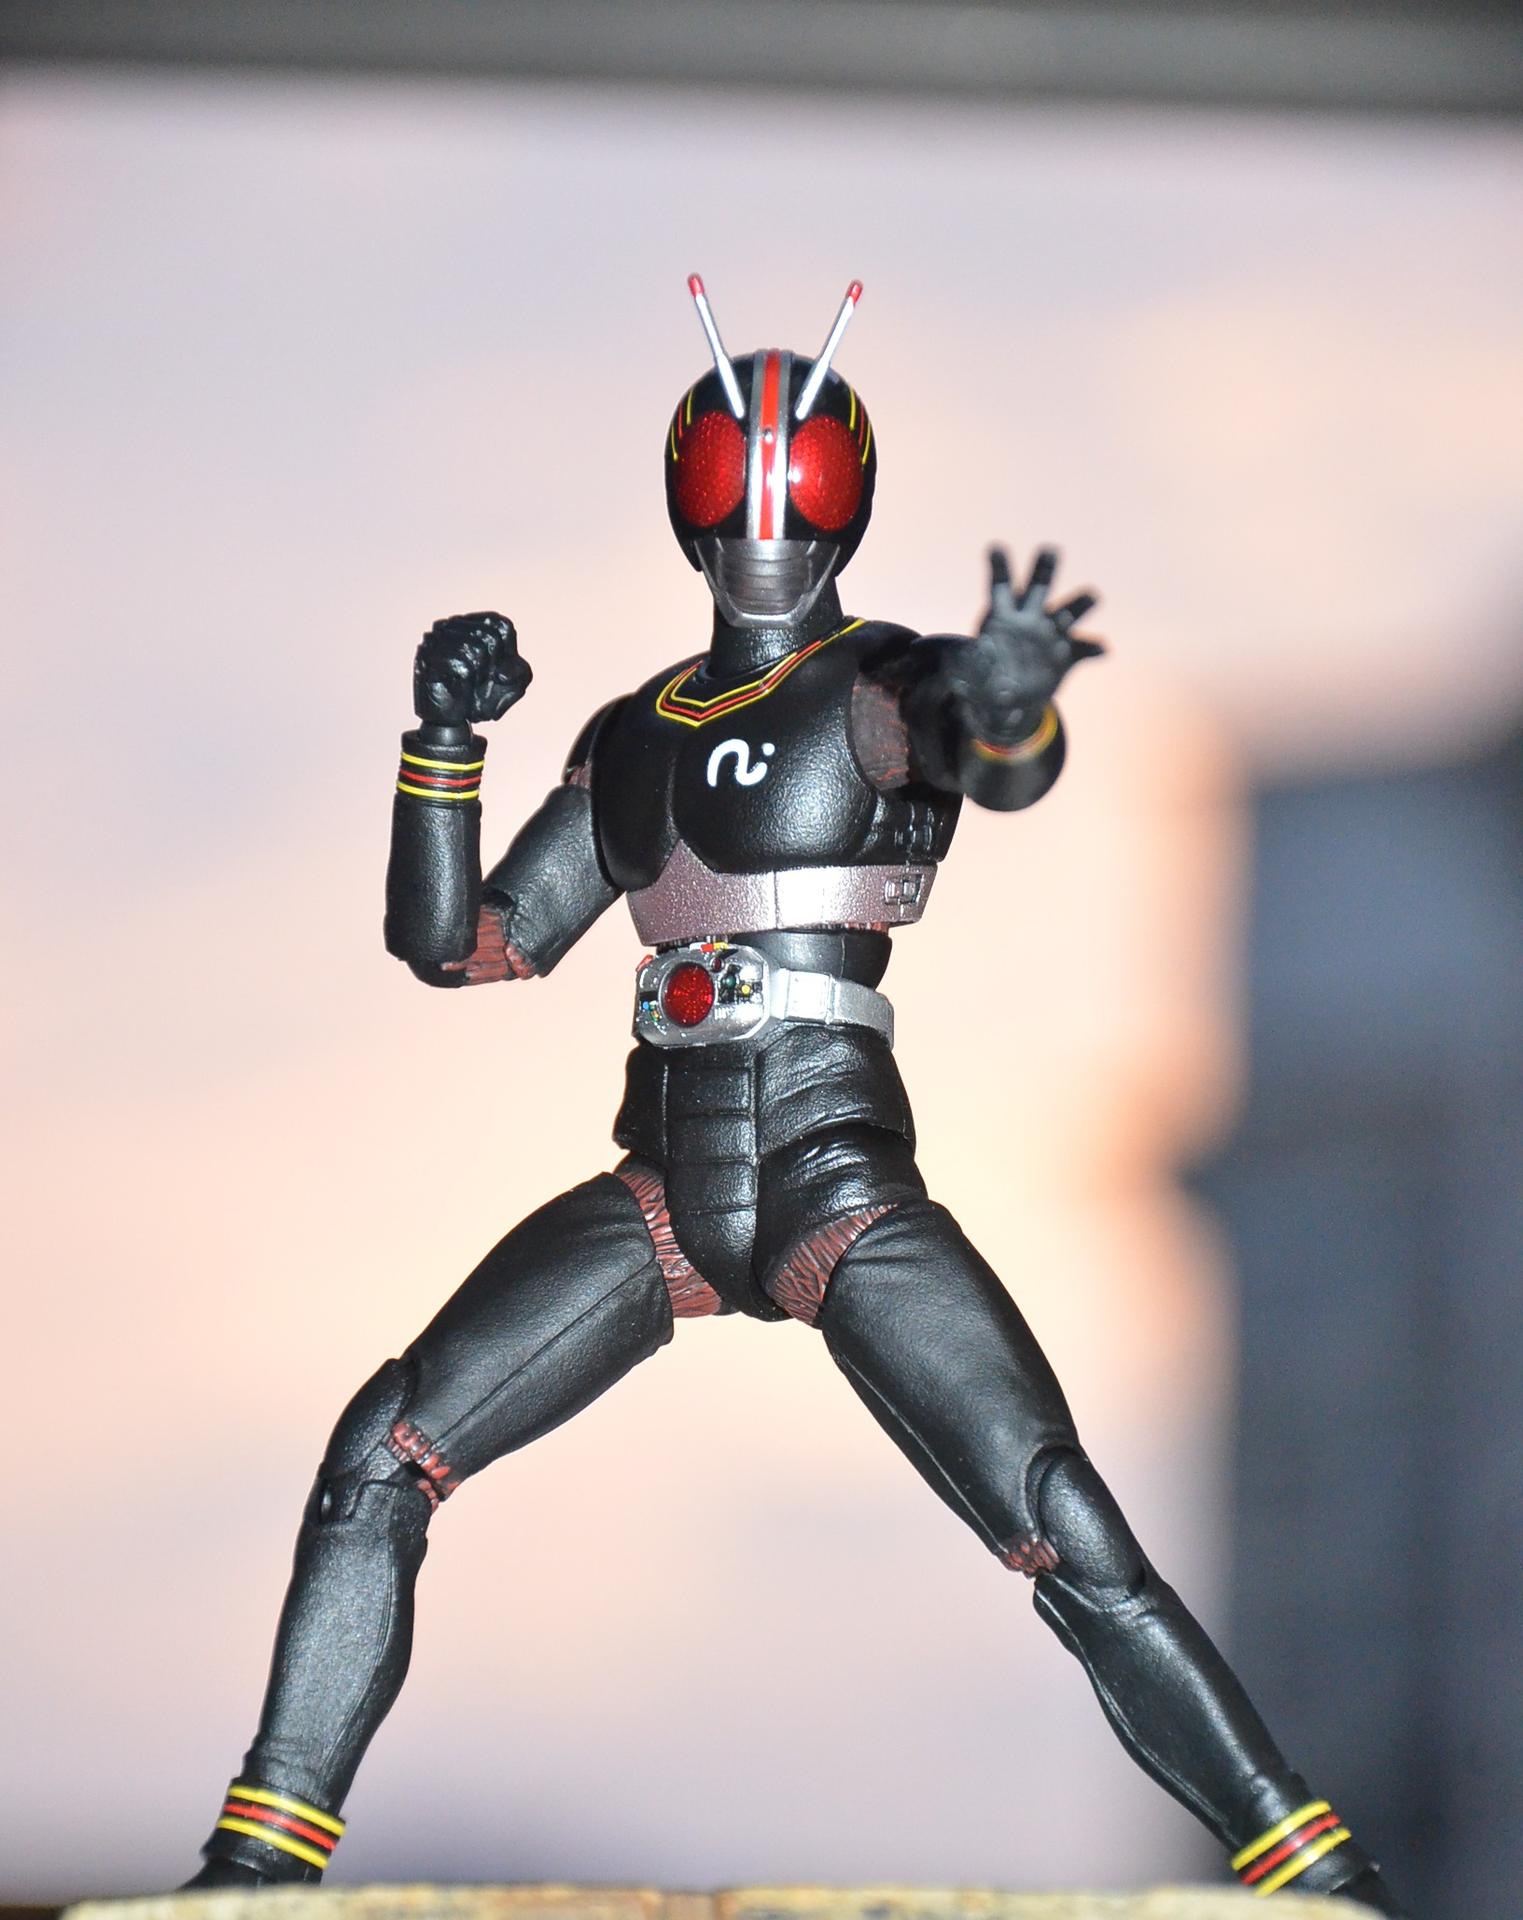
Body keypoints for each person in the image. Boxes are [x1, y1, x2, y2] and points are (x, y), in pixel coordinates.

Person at [186, 281, 1406, 1914]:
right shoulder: (634, 736)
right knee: (382, 1452)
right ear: (692, 497)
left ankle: (1308, 1866)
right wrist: (442, 747)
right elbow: (465, 944)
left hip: (836, 1173)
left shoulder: (878, 686)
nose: (766, 514)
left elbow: (993, 757)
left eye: (796, 480)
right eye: (737, 478)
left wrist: (1011, 697)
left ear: (843, 497)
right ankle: (261, 1859)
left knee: (1060, 1519)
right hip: (664, 1188)